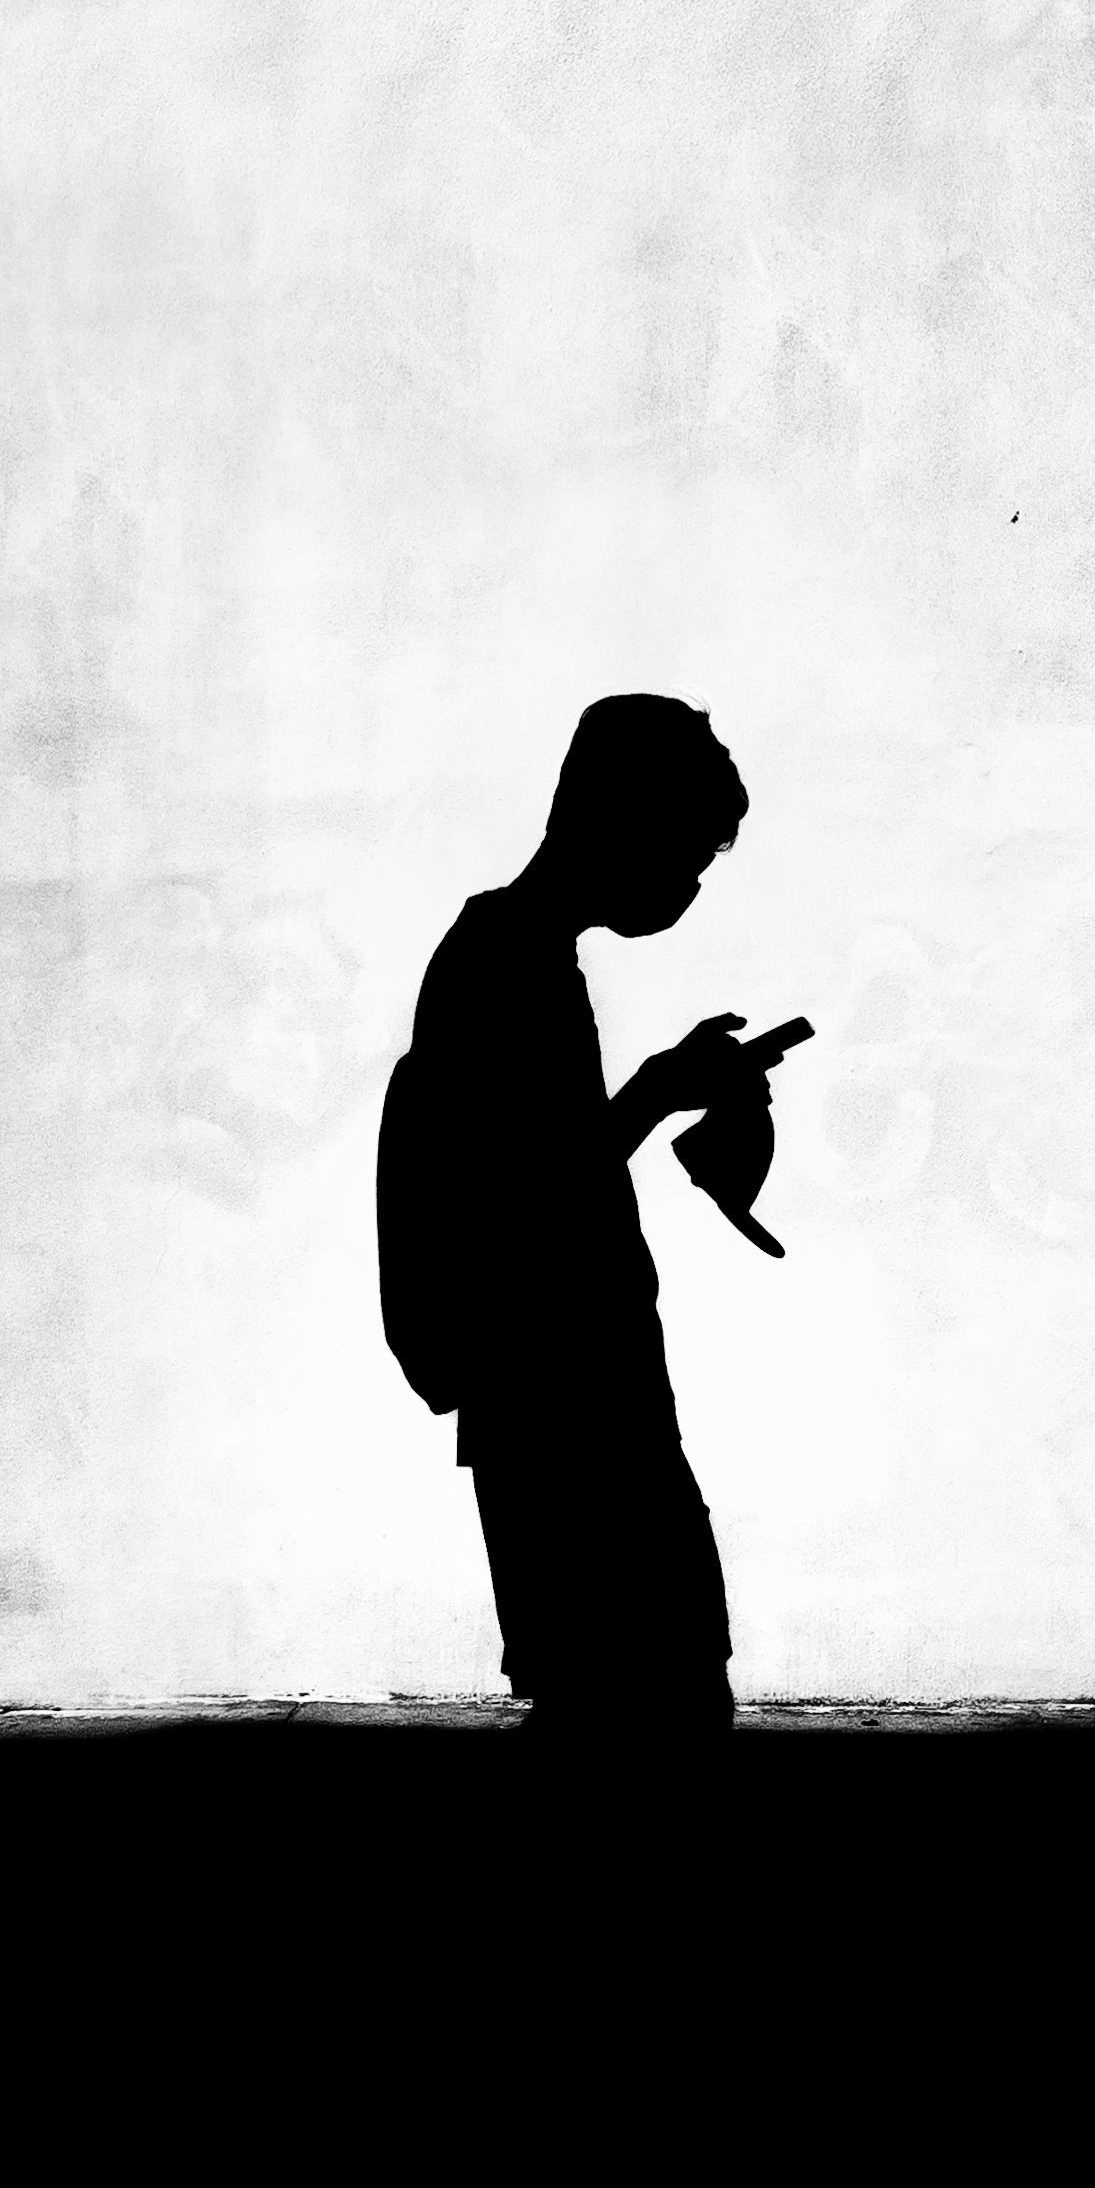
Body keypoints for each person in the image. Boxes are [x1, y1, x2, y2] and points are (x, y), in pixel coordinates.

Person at [378, 695, 773, 1737]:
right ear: (621, 825)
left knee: (618, 1719)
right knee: (647, 1722)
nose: (689, 886)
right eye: (686, 853)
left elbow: (537, 1175)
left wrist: (658, 1089)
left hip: (568, 1420)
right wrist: (655, 1094)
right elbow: (527, 1206)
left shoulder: (513, 955)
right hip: (571, 1430)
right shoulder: (507, 969)